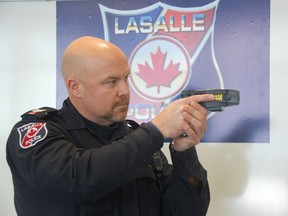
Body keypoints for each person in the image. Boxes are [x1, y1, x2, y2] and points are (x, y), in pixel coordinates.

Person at [6, 36, 214, 216]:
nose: (125, 90)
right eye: (111, 82)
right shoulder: (37, 133)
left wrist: (183, 152)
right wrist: (156, 130)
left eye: (126, 78)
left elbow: (185, 212)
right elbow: (78, 179)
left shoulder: (139, 141)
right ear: (75, 87)